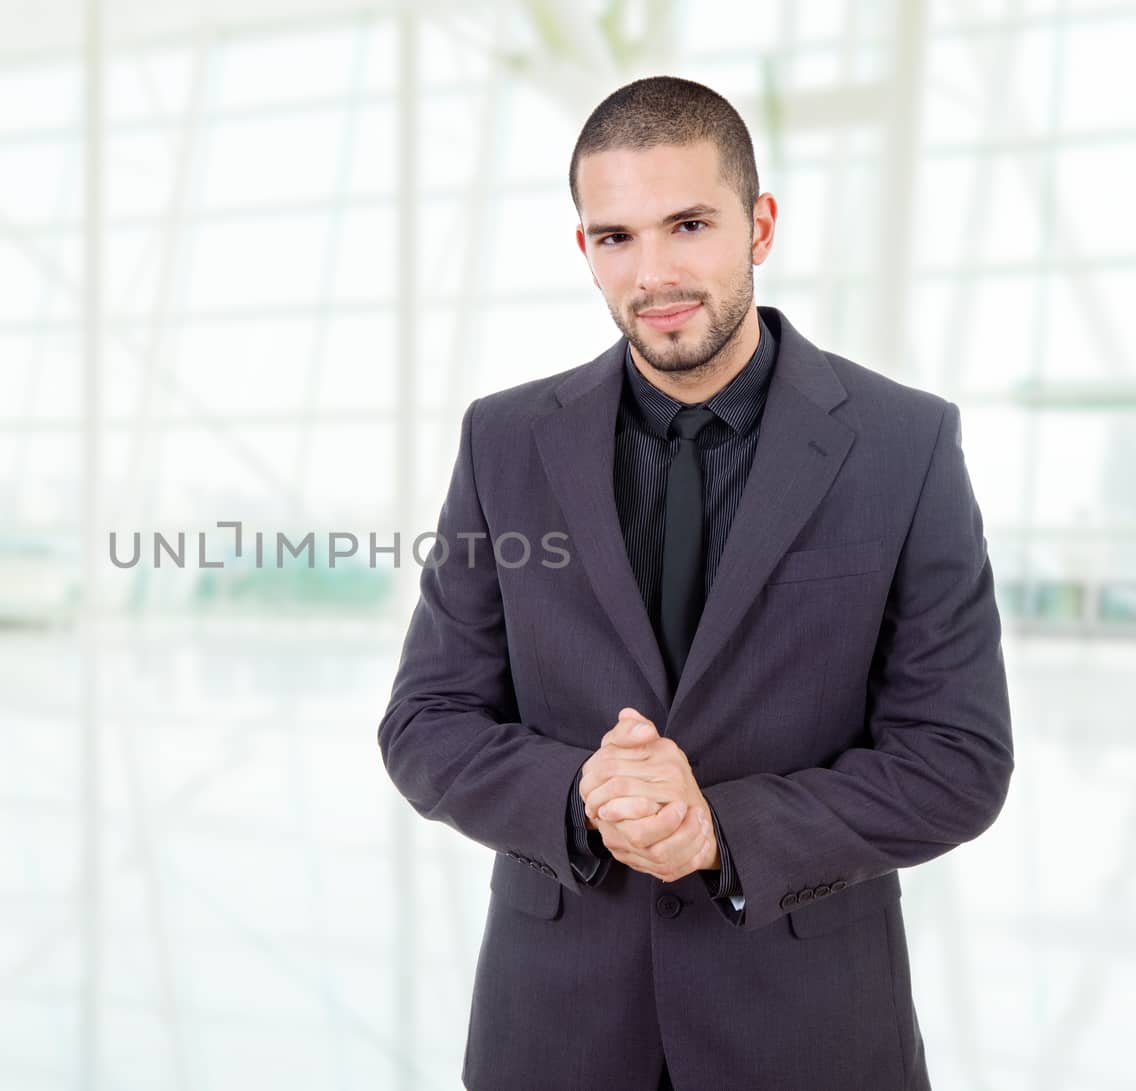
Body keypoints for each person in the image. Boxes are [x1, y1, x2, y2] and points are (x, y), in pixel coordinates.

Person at [376, 75, 1012, 1091]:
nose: (654, 272)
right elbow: (425, 721)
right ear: (583, 248)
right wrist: (583, 794)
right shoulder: (501, 444)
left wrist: (723, 828)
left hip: (808, 1031)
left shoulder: (905, 443)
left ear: (757, 225)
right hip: (555, 1028)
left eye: (687, 223)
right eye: (615, 236)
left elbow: (958, 758)